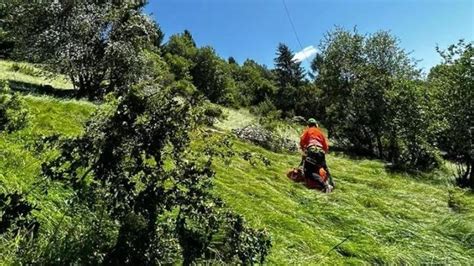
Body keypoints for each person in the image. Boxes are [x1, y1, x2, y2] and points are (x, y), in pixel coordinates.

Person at [299, 118, 333, 192]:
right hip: (321, 152)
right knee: (325, 169)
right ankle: (331, 184)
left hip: (312, 151)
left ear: (308, 125)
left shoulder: (307, 131)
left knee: (309, 172)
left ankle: (325, 186)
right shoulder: (320, 133)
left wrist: (304, 150)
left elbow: (302, 141)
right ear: (316, 125)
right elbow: (326, 147)